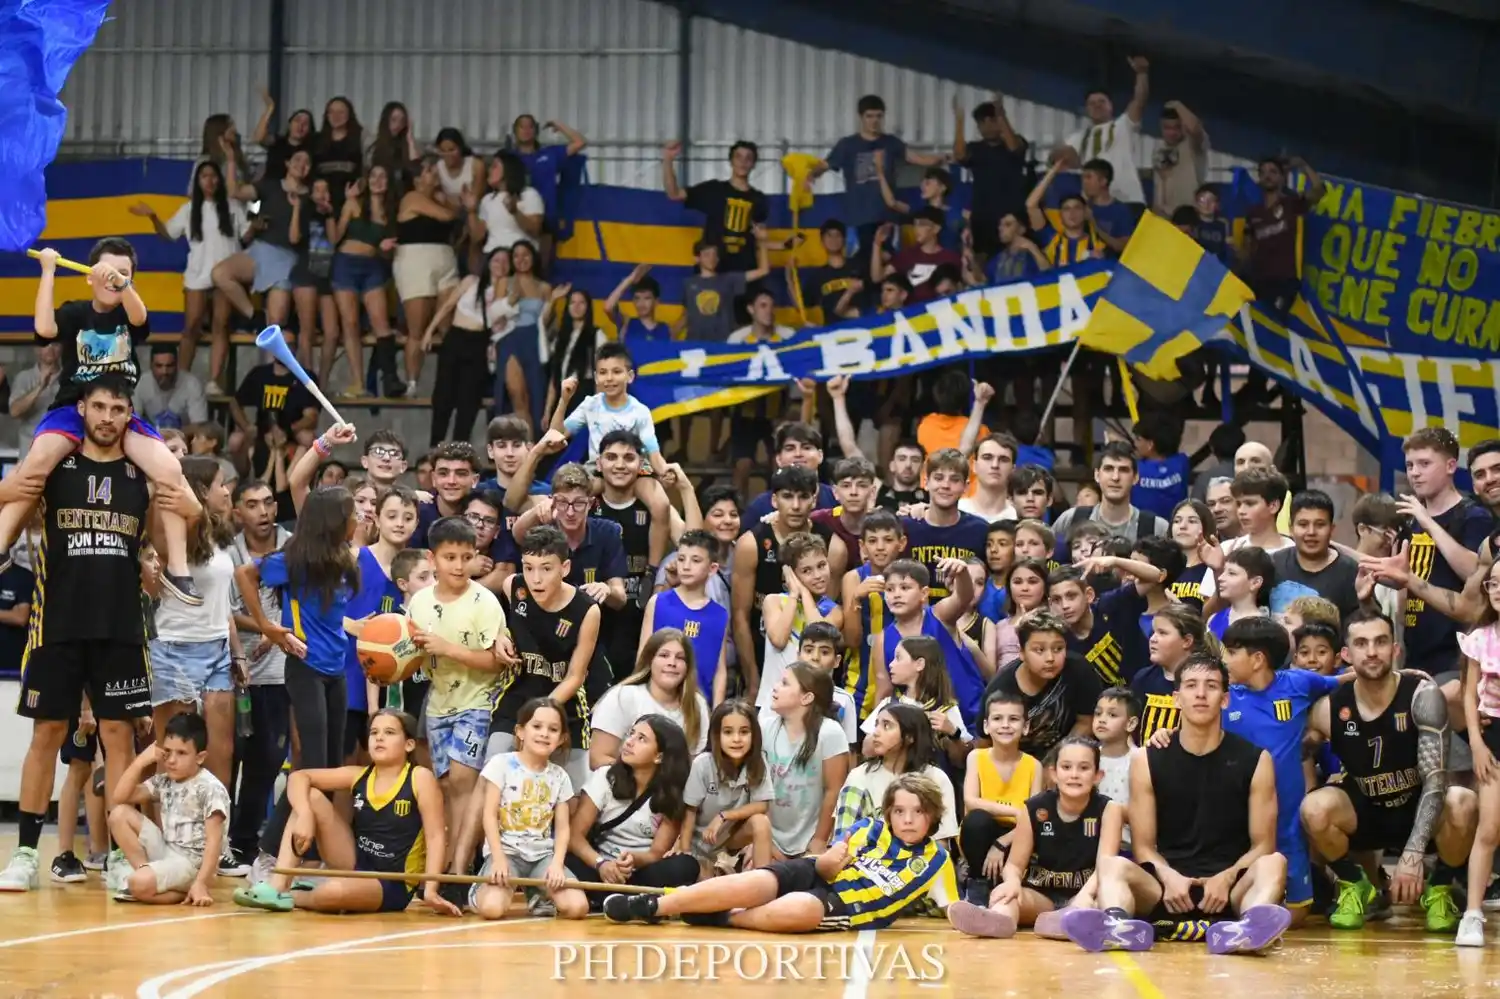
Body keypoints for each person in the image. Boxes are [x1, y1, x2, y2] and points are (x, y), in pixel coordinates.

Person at [0, 378, 159, 892]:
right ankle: (25, 852)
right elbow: (12, 502)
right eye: (99, 407)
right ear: (80, 410)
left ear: (129, 415)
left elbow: (163, 536)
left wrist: (158, 560)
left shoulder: (143, 476)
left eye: (118, 408)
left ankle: (116, 852)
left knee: (118, 739)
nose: (108, 417)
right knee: (46, 735)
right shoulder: (51, 469)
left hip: (119, 626)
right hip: (57, 623)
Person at [2, 243, 200, 604]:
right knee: (33, 468)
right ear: (89, 275)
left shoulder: (130, 312)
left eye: (124, 273)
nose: (114, 277)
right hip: (73, 409)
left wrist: (125, 286)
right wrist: (48, 271)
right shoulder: (76, 313)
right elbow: (44, 328)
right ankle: (1, 544)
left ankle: (180, 570)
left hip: (120, 414)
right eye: (108, 270)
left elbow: (140, 318)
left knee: (171, 471)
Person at [1059, 656, 1291, 956]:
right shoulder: (1146, 759)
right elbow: (1143, 847)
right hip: (1166, 888)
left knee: (1275, 862)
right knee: (1111, 863)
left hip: (1229, 890)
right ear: (1176, 699)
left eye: (1211, 686)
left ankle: (1246, 929)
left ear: (1224, 699)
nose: (1200, 694)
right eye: (1191, 686)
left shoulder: (1256, 760)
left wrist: (1227, 877)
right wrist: (1170, 877)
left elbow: (1263, 845)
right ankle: (1118, 927)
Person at [1300, 610, 1476, 933]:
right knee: (1313, 808)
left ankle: (1439, 889)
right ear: (1346, 654)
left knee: (1463, 801)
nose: (1371, 651)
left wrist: (1413, 854)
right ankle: (1357, 885)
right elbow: (1287, 743)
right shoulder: (1328, 707)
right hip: (1366, 812)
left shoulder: (1423, 696)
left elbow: (1436, 781)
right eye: (1361, 643)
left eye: (1381, 642)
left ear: (1395, 649)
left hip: (1420, 808)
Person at [602, 772, 957, 931]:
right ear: (888, 813)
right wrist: (831, 861)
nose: (908, 820)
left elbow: (951, 907)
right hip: (819, 871)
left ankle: (724, 917)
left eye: (918, 812)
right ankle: (656, 905)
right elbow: (829, 865)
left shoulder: (936, 859)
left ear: (933, 815)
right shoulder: (870, 829)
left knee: (804, 908)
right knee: (761, 879)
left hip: (850, 905)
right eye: (899, 811)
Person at [233, 709, 456, 914]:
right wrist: (305, 814)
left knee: (333, 893)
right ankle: (278, 886)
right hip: (354, 863)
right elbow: (299, 777)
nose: (379, 738)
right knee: (310, 797)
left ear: (408, 745)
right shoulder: (358, 774)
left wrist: (431, 890)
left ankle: (296, 895)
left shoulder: (420, 777)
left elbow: (435, 836)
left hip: (393, 881)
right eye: (374, 732)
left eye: (389, 732)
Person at [949, 736, 1124, 939]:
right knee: (1008, 898)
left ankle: (1068, 923)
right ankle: (997, 921)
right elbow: (1014, 865)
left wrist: (1083, 897)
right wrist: (1012, 882)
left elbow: (1106, 866)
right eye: (1066, 767)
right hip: (1042, 895)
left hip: (1086, 893)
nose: (1074, 775)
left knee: (1096, 908)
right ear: (1054, 773)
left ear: (1097, 775)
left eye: (1084, 768)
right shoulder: (1034, 808)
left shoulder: (1109, 809)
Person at [407, 516, 507, 848]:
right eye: (450, 558)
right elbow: (410, 653)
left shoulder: (485, 602)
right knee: (447, 783)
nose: (460, 566)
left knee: (464, 780)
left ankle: (461, 868)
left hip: (476, 700)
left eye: (468, 557)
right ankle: (450, 858)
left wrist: (449, 648)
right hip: (438, 703)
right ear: (432, 560)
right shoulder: (419, 602)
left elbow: (495, 662)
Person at [490, 525, 604, 789]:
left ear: (564, 569)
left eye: (546, 568)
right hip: (516, 698)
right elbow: (503, 625)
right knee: (493, 781)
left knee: (570, 796)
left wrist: (540, 716)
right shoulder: (512, 587)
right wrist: (500, 635)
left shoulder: (587, 610)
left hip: (565, 704)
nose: (535, 578)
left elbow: (575, 677)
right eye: (528, 567)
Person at [465, 698, 588, 920]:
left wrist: (557, 865)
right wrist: (498, 858)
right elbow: (489, 815)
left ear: (561, 739)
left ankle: (538, 892)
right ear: (520, 731)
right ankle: (478, 890)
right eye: (537, 726)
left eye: (553, 729)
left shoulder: (560, 777)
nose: (544, 734)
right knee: (492, 909)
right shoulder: (500, 764)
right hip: (506, 854)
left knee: (578, 907)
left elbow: (562, 829)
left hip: (542, 857)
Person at [566, 716, 699, 907]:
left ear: (659, 756)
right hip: (599, 867)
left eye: (641, 739)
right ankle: (632, 901)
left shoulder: (672, 793)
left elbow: (656, 854)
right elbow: (574, 837)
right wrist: (601, 863)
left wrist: (633, 860)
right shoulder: (605, 777)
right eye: (631, 734)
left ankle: (615, 900)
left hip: (640, 871)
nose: (629, 742)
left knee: (686, 865)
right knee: (563, 855)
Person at [107, 714, 229, 905]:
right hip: (168, 851)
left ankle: (183, 889)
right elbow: (120, 797)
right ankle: (146, 873)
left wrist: (202, 882)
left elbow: (214, 842)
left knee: (136, 883)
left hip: (192, 864)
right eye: (167, 752)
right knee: (118, 814)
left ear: (200, 757)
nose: (171, 760)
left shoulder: (209, 788)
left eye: (181, 753)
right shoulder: (165, 780)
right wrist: (141, 761)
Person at [981, 611, 1102, 760]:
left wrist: (1056, 760)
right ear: (1022, 652)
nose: (1050, 658)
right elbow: (985, 744)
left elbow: (1086, 721)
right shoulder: (999, 689)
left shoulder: (1079, 669)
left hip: (1066, 758)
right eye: (1039, 650)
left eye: (1058, 649)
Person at [958, 692, 1044, 900]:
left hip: (1016, 837)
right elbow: (971, 801)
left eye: (1013, 719)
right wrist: (1015, 811)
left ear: (1025, 727)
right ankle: (977, 884)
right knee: (977, 820)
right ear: (987, 726)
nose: (1005, 725)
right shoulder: (976, 757)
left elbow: (1034, 819)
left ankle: (1008, 885)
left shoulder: (1034, 765)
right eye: (998, 718)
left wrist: (1001, 843)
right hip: (981, 836)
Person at [679, 700, 775, 878]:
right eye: (728, 732)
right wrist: (685, 854)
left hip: (730, 841)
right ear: (716, 735)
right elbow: (689, 812)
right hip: (700, 845)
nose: (737, 739)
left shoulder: (758, 762)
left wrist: (723, 816)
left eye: (744, 732)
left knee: (761, 821)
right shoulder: (703, 764)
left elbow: (762, 805)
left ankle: (764, 883)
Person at [1456, 562, 1500, 945]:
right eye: (1494, 583)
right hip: (1493, 738)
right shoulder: (1480, 637)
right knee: (1489, 828)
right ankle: (1472, 913)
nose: (1498, 589)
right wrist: (1477, 742)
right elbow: (1469, 695)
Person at [589, 629, 709, 767]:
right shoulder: (623, 697)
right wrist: (643, 777)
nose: (672, 662)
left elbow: (693, 766)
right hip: (619, 784)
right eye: (664, 655)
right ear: (650, 660)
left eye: (680, 658)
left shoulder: (697, 705)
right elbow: (598, 759)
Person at [641, 530, 729, 700]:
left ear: (712, 569)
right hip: (656, 703)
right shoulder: (658, 603)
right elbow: (643, 658)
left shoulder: (719, 615)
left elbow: (720, 670)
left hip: (698, 706)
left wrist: (717, 715)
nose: (686, 566)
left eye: (695, 560)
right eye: (681, 559)